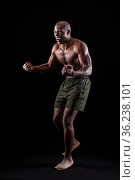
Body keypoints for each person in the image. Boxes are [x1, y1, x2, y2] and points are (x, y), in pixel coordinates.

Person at [23, 21, 92, 170]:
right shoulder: (56, 48)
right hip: (66, 83)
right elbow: (49, 66)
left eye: (60, 32)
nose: (57, 35)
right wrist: (33, 68)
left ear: (68, 32)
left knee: (67, 120)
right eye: (55, 32)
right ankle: (72, 141)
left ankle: (68, 158)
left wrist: (75, 72)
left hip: (81, 83)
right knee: (56, 119)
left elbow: (88, 69)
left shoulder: (79, 46)